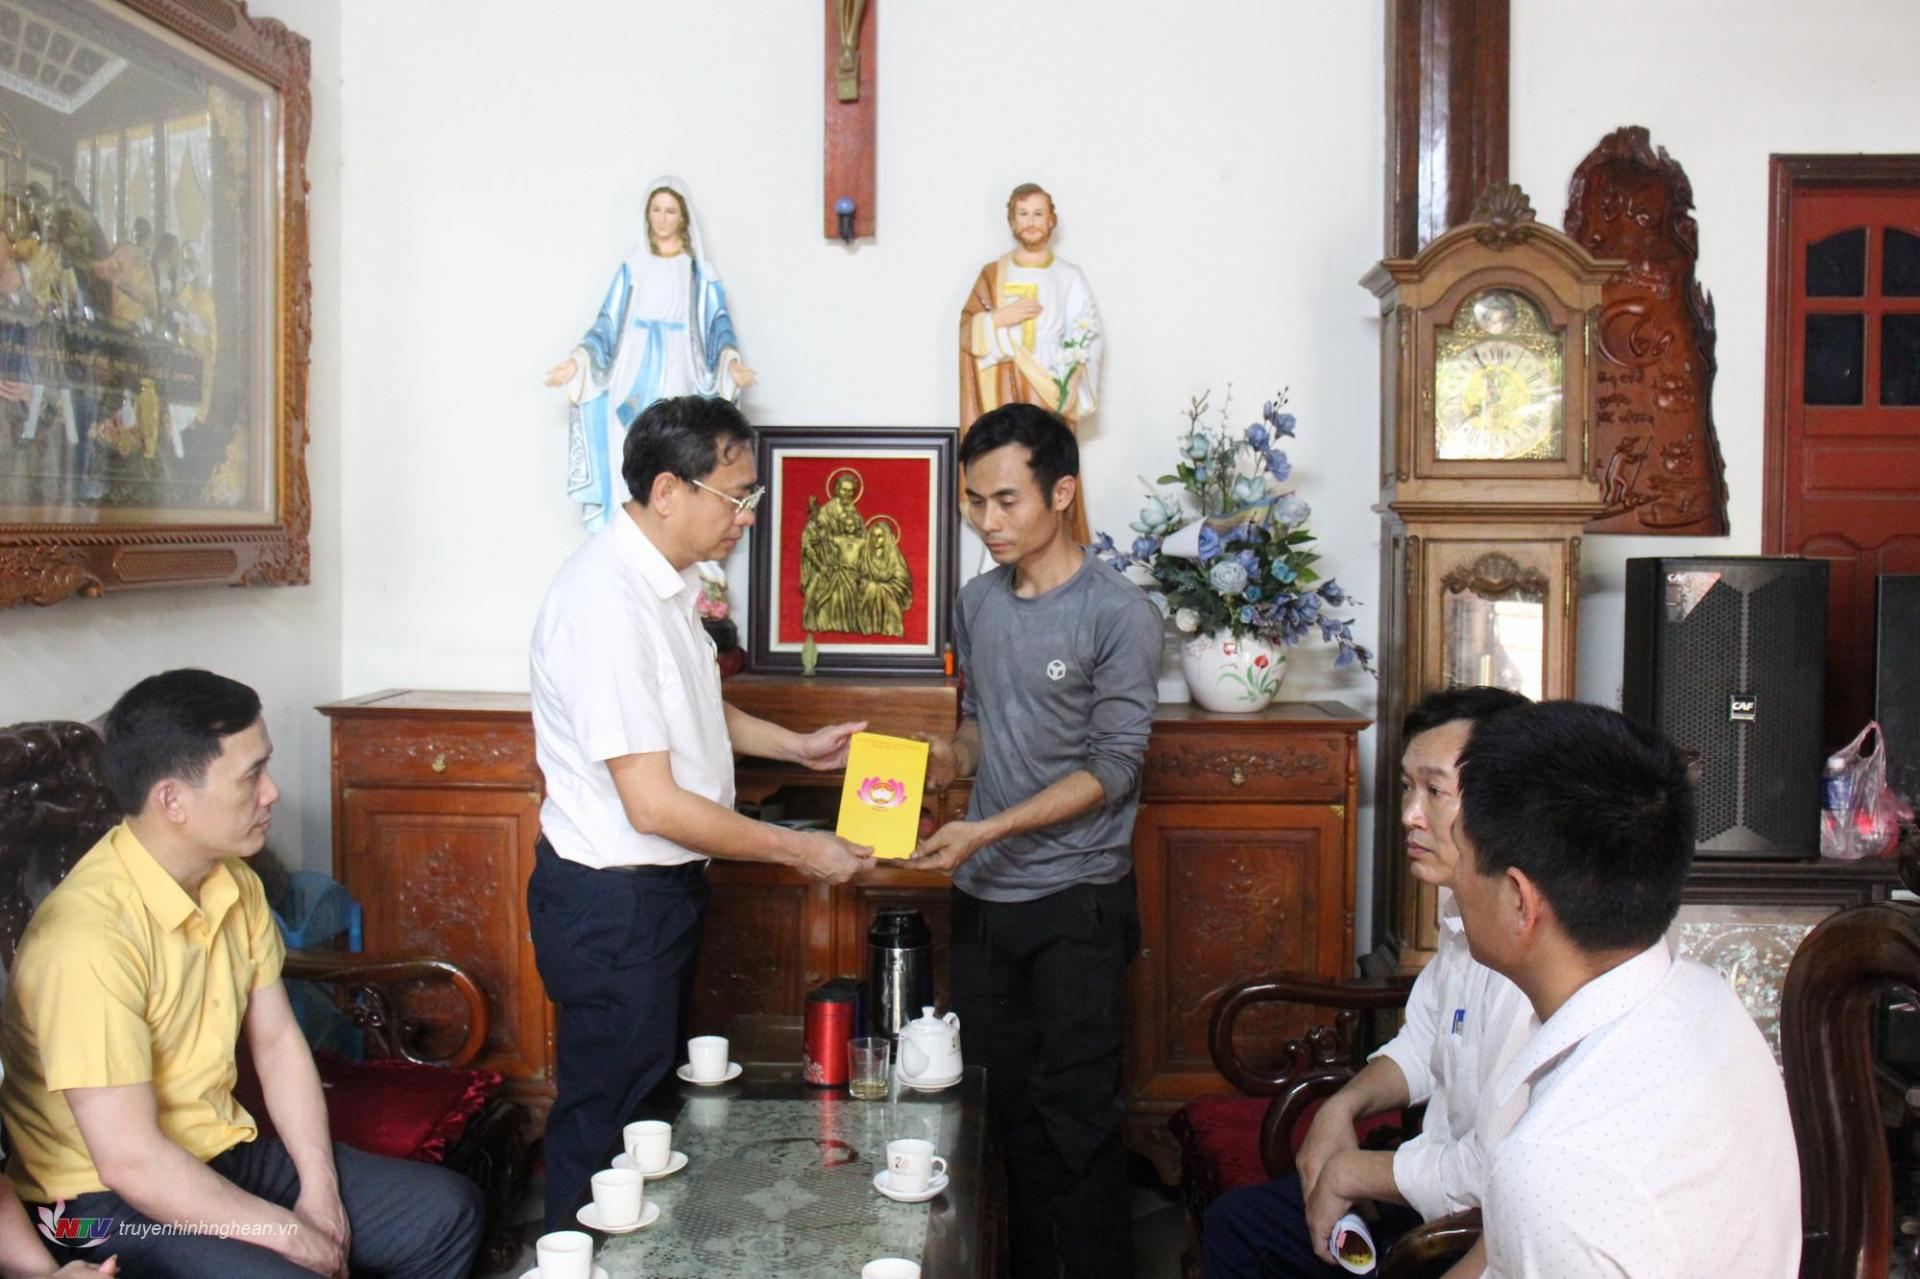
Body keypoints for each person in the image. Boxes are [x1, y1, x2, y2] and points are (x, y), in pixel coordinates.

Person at [0, 669, 483, 1278]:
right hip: (91, 1206)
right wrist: (288, 1234)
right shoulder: (87, 940)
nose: (272, 792)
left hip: (218, 1151)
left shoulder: (230, 880)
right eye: (252, 775)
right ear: (172, 800)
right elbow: (130, 1161)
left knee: (445, 1214)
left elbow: (277, 1043)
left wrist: (320, 1189)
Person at [528, 394, 873, 1228]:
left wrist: (797, 748)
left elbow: (692, 706)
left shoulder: (665, 584)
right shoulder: (606, 605)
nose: (747, 517)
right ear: (667, 490)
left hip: (656, 894)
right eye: (736, 496)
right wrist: (801, 849)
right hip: (615, 902)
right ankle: (571, 1255)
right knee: (607, 1118)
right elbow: (651, 804)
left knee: (646, 1112)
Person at [910, 403, 1161, 1279]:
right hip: (984, 901)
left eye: (1007, 500)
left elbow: (1113, 768)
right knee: (998, 1110)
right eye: (974, 501)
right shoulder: (976, 602)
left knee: (1078, 1119)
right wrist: (949, 759)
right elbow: (980, 722)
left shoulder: (1119, 613)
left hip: (1077, 900)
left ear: (1062, 492)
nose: (987, 521)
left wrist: (989, 825)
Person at [1449, 700, 1800, 1277]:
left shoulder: (1551, 1166)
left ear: (1519, 900)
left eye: (1461, 855)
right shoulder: (1706, 997)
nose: (1454, 879)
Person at [1202, 686, 1533, 1277]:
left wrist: (1359, 1173)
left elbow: (1496, 1174)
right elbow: (1425, 1044)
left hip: (1472, 1229)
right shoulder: (1461, 912)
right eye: (1407, 787)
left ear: (1505, 803)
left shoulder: (1532, 957)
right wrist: (1343, 1104)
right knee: (1239, 1222)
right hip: (1428, 1185)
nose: (1410, 814)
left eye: (1435, 791)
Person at [545, 177, 757, 532]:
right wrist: (579, 360)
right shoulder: (633, 267)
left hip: (678, 361)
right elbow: (607, 324)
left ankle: (676, 529)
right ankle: (626, 524)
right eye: (656, 210)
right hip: (633, 364)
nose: (662, 218)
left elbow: (717, 323)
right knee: (627, 438)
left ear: (683, 217)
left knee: (677, 439)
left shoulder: (698, 272)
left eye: (670, 211)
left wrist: (730, 362)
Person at [958, 183, 1102, 544]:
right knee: (1006, 465)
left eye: (1039, 214)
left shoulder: (1069, 276)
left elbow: (1088, 332)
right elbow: (968, 331)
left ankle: (1053, 546)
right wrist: (999, 319)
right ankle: (1005, 535)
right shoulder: (993, 274)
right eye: (1023, 214)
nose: (1031, 221)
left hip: (1050, 386)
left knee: (1045, 468)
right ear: (1012, 221)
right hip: (1003, 388)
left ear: (1051, 220)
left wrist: (1073, 376)